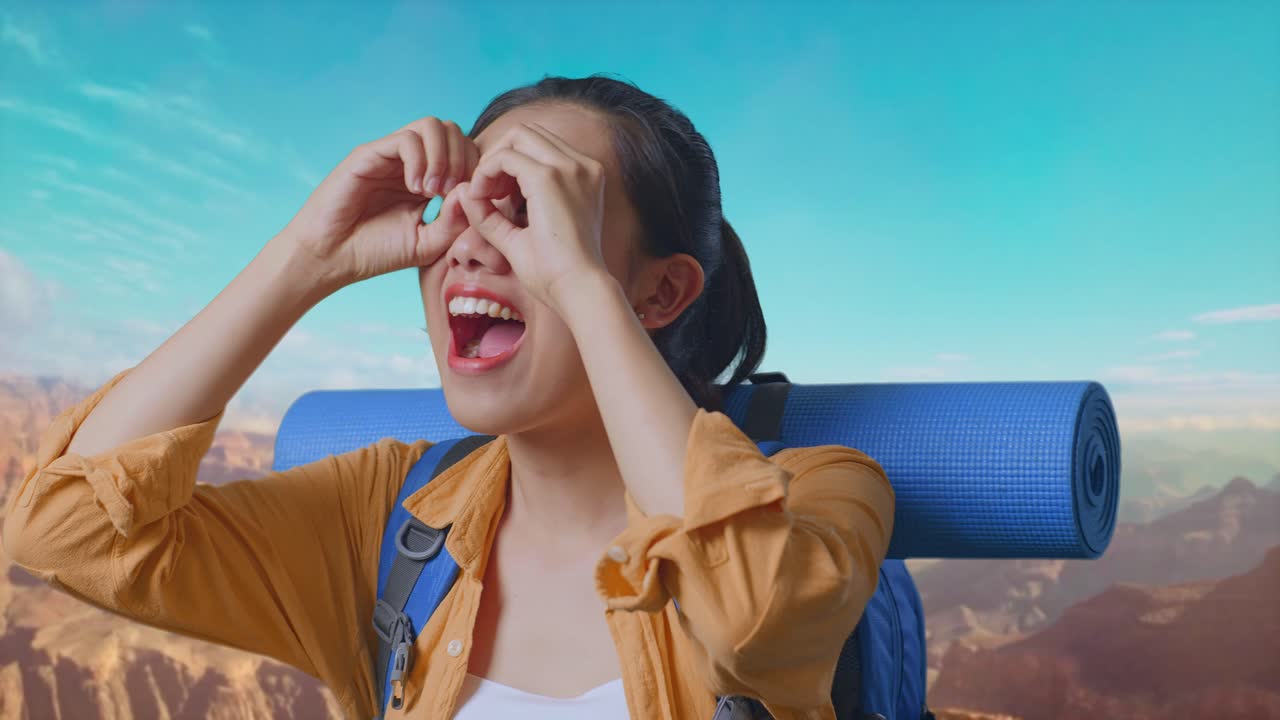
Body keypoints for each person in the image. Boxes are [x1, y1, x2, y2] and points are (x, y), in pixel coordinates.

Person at [3, 75, 895, 720]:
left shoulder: (825, 493)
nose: (471, 246)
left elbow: (753, 621)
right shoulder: (388, 518)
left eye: (531, 212)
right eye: (465, 210)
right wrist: (305, 260)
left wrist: (584, 289)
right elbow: (62, 532)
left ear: (660, 294)